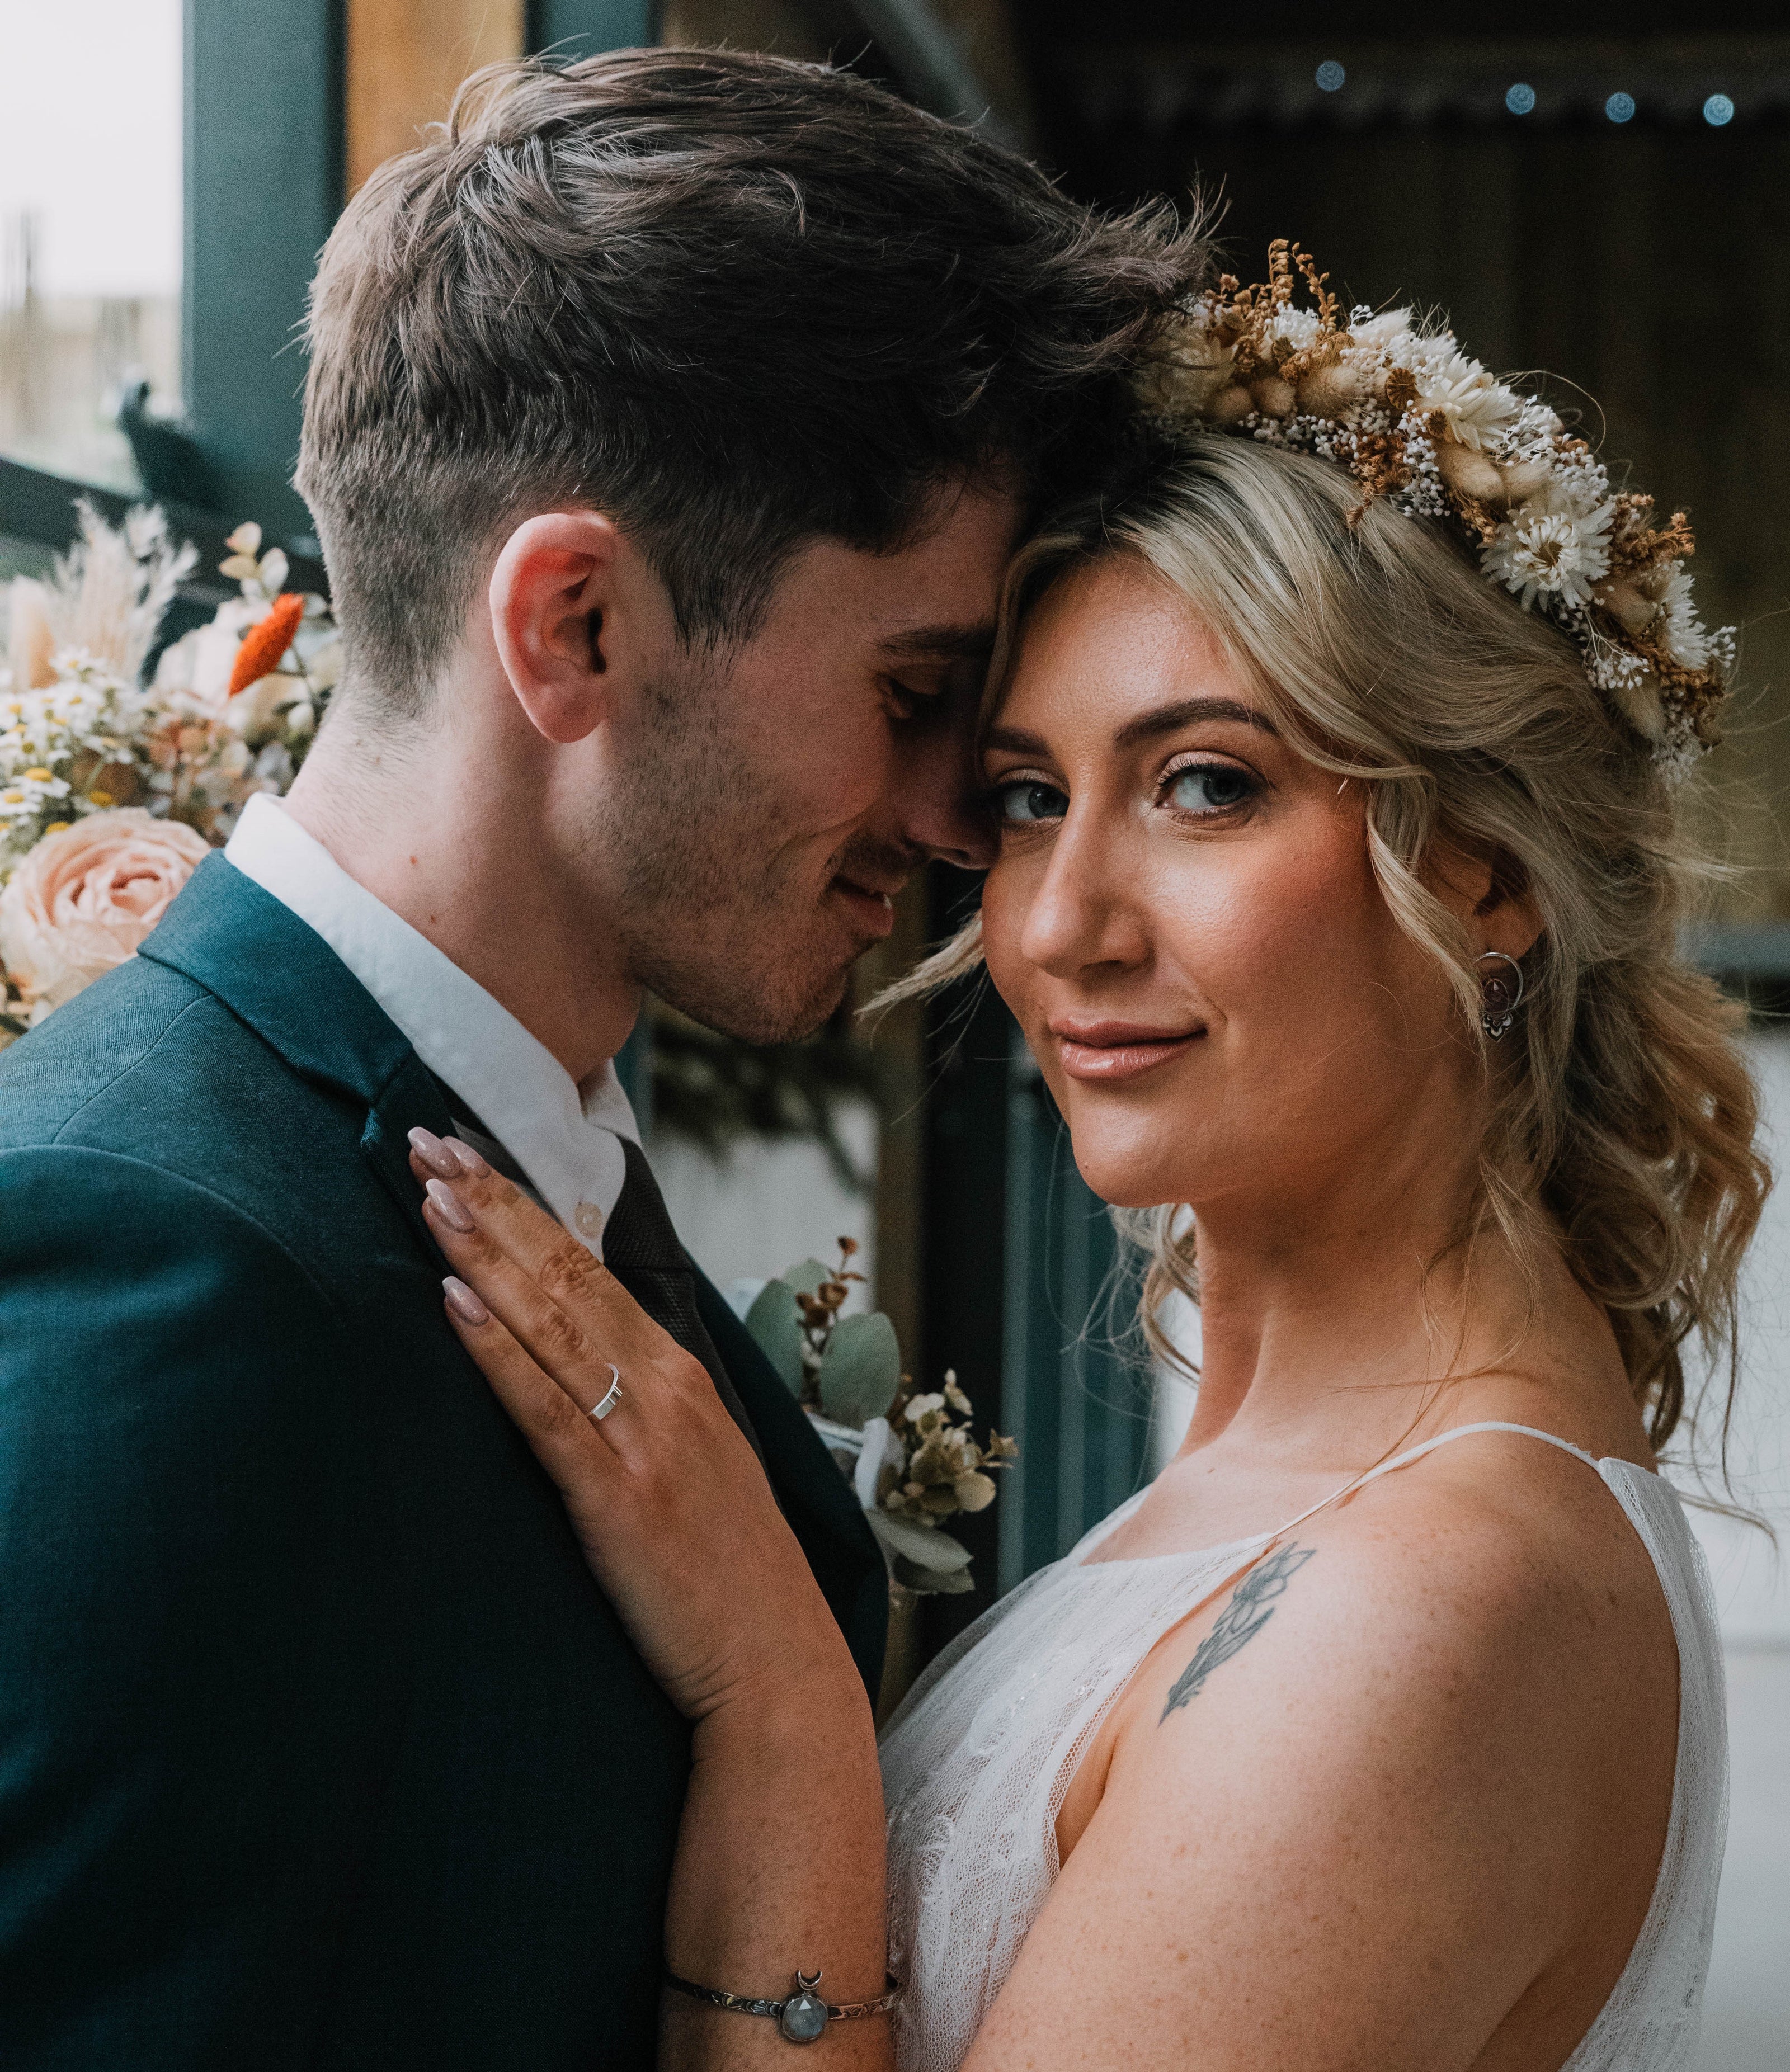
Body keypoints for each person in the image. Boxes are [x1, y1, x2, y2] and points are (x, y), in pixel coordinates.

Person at [0, 50, 1205, 2068]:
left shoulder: (534, 1160)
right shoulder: (149, 1259)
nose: (947, 816)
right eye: (916, 687)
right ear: (569, 626)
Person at [422, 260, 1767, 2069]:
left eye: (1207, 784)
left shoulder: (1426, 1606)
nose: (1060, 924)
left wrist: (781, 1704)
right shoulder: (1299, 1477)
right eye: (1034, 797)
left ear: (1489, 870)